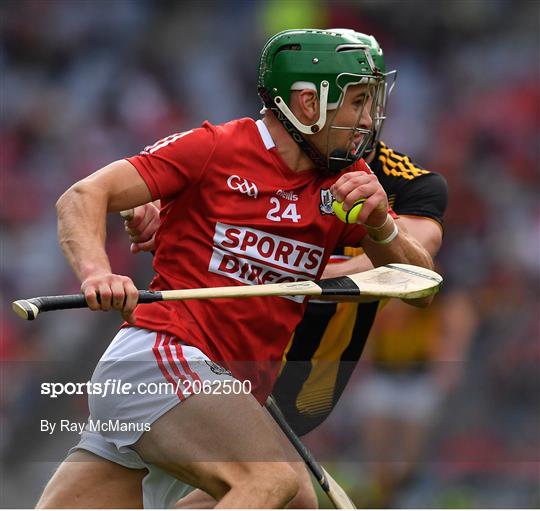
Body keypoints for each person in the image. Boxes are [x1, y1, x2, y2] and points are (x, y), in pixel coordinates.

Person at [37, 29, 436, 509]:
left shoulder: (350, 184)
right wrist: (97, 273)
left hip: (220, 388)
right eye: (357, 102)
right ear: (308, 103)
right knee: (270, 482)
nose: (369, 120)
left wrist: (379, 227)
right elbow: (82, 195)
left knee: (292, 503)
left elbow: (421, 285)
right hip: (163, 360)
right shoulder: (216, 148)